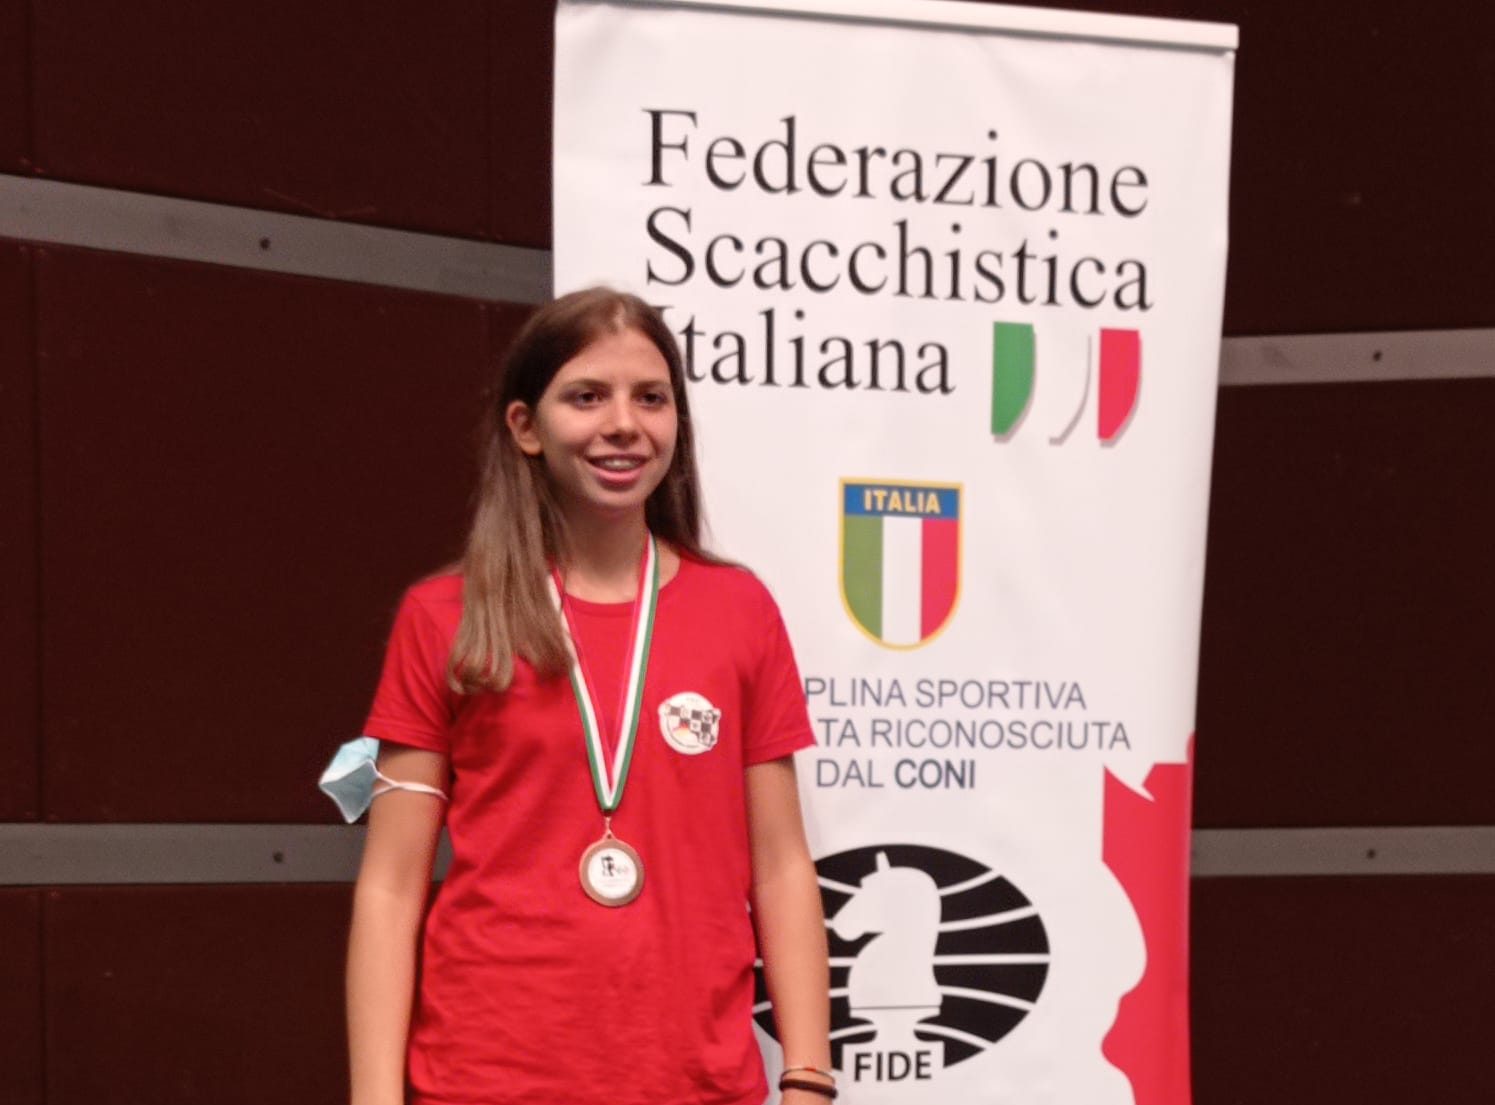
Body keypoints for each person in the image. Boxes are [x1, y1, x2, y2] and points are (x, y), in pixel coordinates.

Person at [328, 287, 835, 1105]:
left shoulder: (738, 610)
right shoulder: (445, 616)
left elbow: (779, 866)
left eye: (651, 397)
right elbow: (390, 886)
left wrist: (807, 1077)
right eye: (587, 396)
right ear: (525, 426)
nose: (624, 424)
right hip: (487, 1081)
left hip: (697, 1082)